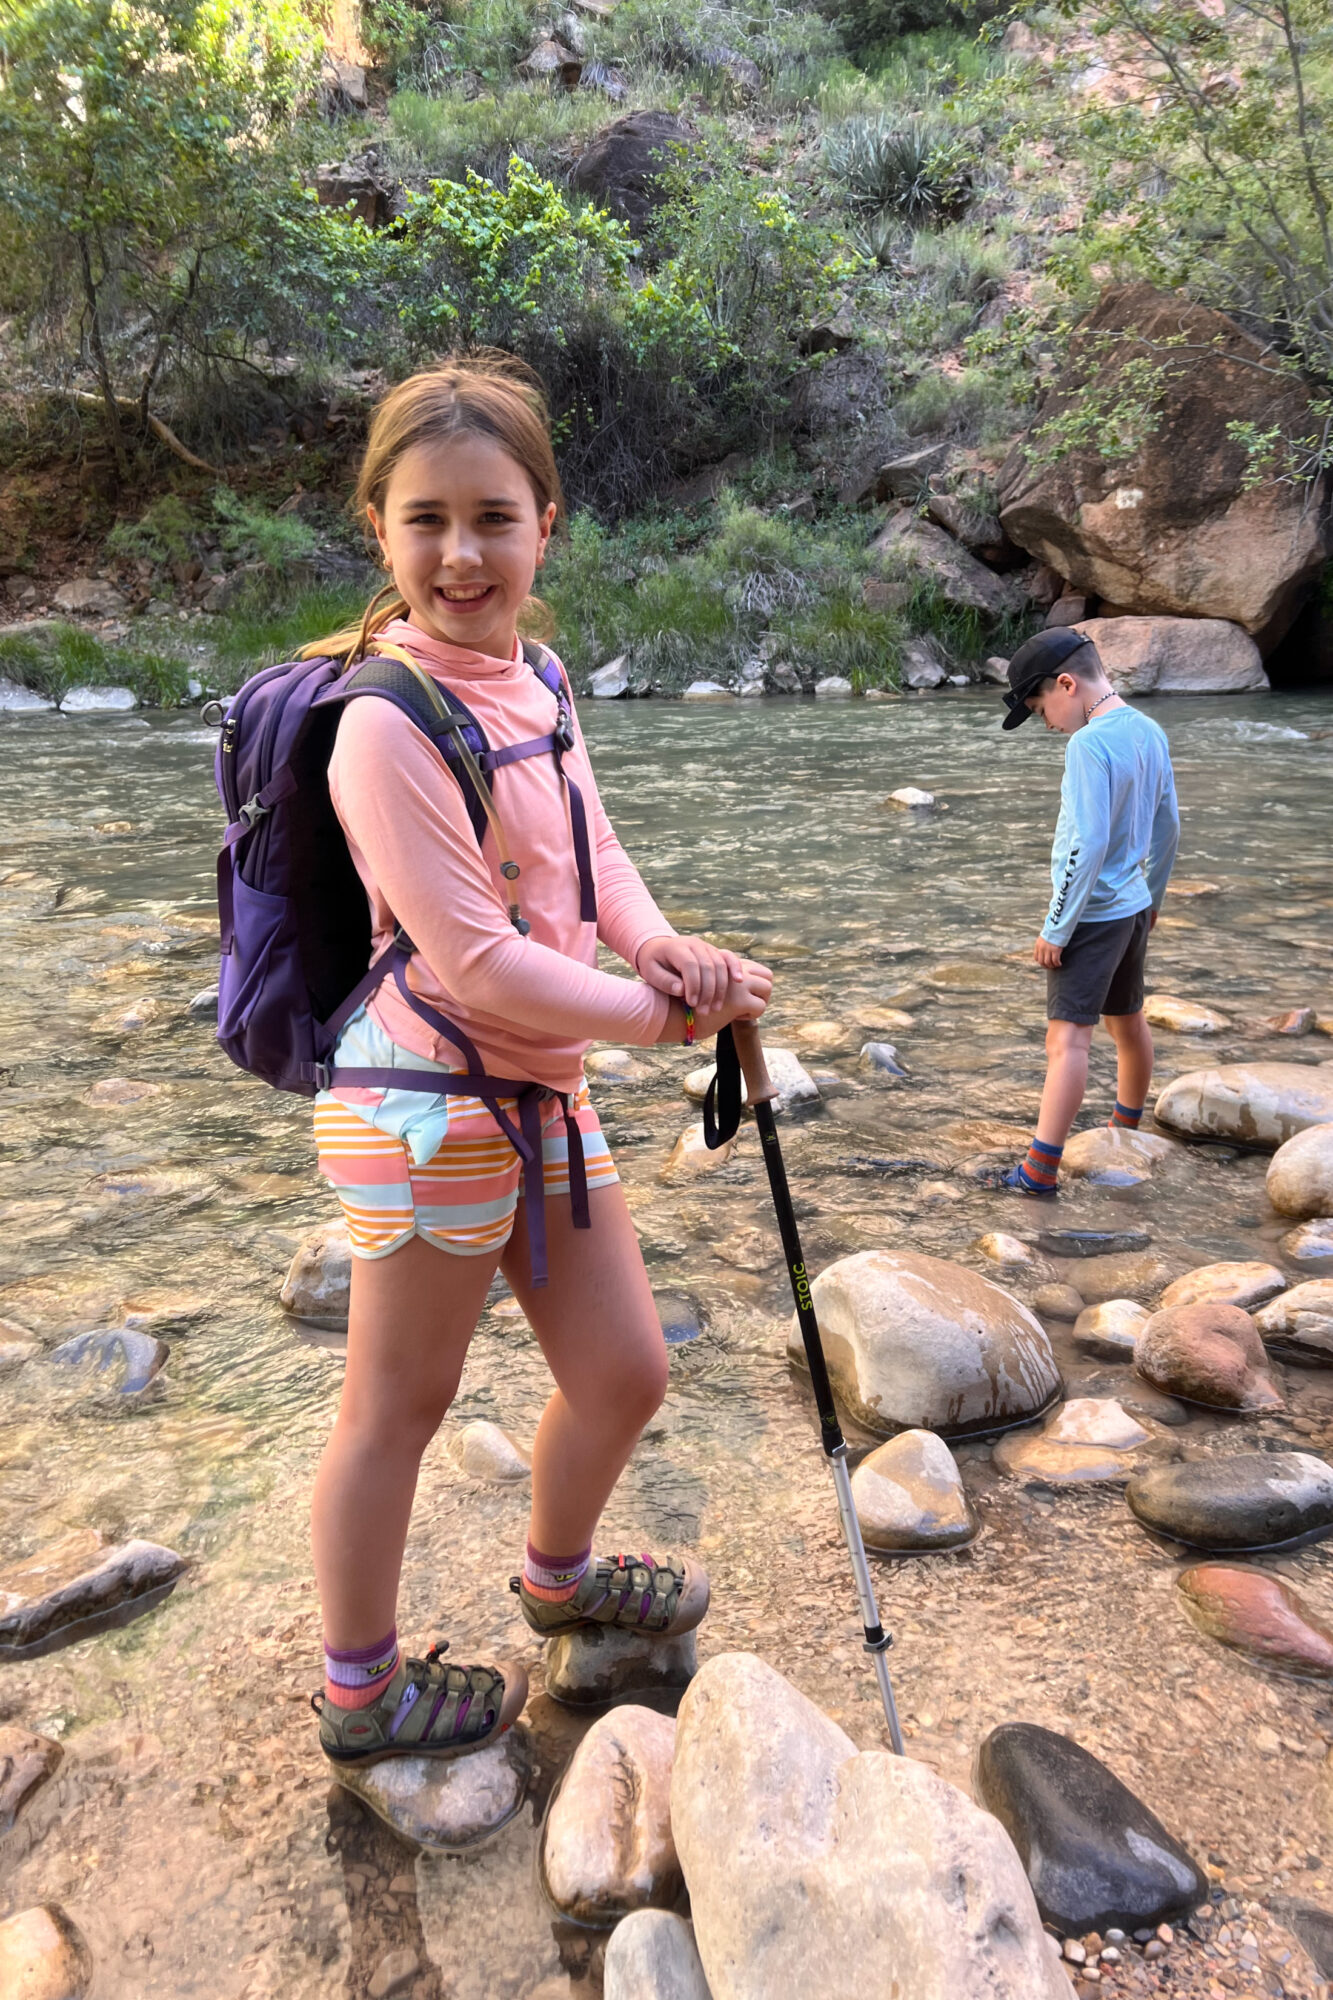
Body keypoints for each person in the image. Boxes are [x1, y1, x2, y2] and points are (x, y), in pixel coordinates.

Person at [304, 353, 773, 1765]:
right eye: (428, 519)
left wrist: (663, 950)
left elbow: (591, 855)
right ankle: (361, 1690)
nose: (462, 554)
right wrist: (664, 1024)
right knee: (400, 1403)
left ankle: (556, 1584)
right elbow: (476, 961)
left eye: (493, 517)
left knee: (627, 1371)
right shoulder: (383, 723)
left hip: (536, 1081)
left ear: (545, 524)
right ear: (379, 527)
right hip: (427, 1102)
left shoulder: (540, 676)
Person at [997, 628, 1179, 1196]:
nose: (1048, 723)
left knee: (1067, 1042)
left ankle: (1038, 1170)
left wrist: (1056, 926)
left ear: (1068, 685)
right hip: (1131, 909)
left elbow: (1089, 842)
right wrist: (1154, 897)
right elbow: (1168, 825)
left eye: (1041, 706)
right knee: (1127, 1020)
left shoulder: (1087, 745)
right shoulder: (1149, 732)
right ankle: (1125, 1128)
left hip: (1092, 914)